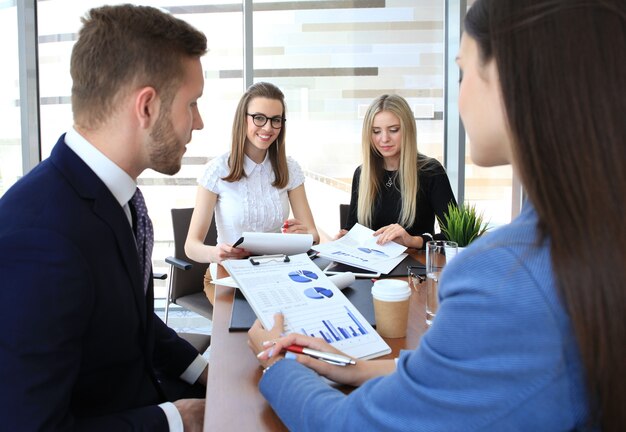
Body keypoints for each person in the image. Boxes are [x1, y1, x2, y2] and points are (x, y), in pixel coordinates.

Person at [248, 0, 626, 430]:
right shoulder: (591, 241)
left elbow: (348, 425)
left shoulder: (502, 277)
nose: (459, 92)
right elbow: (464, 373)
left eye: (463, 70)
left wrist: (276, 361)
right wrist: (350, 364)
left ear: (509, 77)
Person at [0, 5, 210, 431]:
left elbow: (125, 317)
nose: (199, 123)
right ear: (147, 107)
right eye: (192, 104)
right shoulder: (41, 238)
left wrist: (203, 370)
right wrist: (175, 420)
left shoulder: (115, 193)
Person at [184, 82, 319, 300]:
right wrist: (215, 253)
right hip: (229, 274)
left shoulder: (289, 168)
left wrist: (303, 236)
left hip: (275, 273)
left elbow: (314, 235)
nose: (268, 128)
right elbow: (191, 246)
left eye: (276, 120)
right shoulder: (217, 171)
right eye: (259, 118)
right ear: (243, 119)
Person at [339, 94, 456, 249]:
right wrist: (345, 237)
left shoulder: (431, 172)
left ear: (408, 130)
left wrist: (413, 241)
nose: (384, 138)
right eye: (376, 131)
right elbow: (352, 229)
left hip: (412, 268)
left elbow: (455, 235)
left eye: (393, 130)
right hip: (371, 268)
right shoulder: (362, 173)